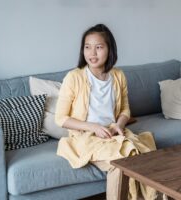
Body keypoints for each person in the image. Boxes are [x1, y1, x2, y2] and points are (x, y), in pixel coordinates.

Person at [55, 24, 157, 200]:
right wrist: (93, 127)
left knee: (143, 156)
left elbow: (125, 109)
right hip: (85, 137)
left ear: (110, 50)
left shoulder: (118, 76)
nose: (92, 53)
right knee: (121, 164)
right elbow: (61, 118)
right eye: (87, 47)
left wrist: (119, 124)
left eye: (99, 47)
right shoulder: (74, 77)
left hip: (112, 133)